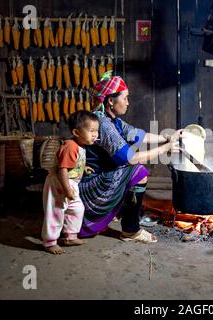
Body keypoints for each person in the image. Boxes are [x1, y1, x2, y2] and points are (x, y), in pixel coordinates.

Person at [78, 71, 181, 243]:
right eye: (124, 98)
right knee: (138, 172)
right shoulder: (102, 123)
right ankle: (130, 231)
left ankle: (121, 213)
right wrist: (164, 149)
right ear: (111, 101)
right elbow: (130, 158)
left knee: (131, 171)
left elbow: (138, 135)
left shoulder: (113, 120)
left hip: (104, 176)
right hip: (92, 183)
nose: (128, 103)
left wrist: (168, 137)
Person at [41, 110, 100, 254]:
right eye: (91, 130)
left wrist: (82, 168)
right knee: (56, 211)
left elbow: (72, 164)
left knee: (77, 208)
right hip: (59, 183)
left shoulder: (80, 146)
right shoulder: (70, 146)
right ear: (76, 132)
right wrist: (67, 189)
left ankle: (70, 236)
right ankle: (49, 242)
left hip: (71, 183)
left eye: (96, 131)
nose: (95, 134)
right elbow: (62, 170)